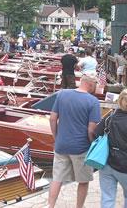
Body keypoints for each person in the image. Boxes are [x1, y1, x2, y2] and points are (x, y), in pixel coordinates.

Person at [48, 75, 101, 208]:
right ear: (90, 84)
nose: (96, 87)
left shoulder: (62, 94)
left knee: (57, 178)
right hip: (81, 148)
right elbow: (91, 130)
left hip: (61, 145)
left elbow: (52, 119)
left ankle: (51, 206)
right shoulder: (93, 101)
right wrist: (92, 145)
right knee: (83, 181)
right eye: (95, 84)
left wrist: (56, 137)